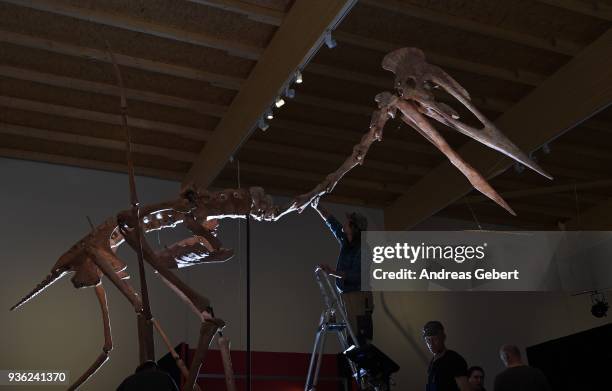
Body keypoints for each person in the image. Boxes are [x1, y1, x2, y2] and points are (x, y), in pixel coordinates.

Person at [311, 196, 373, 346]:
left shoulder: (363, 250)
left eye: (348, 223)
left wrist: (331, 271)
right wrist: (317, 206)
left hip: (358, 297)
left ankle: (363, 368)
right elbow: (332, 223)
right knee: (351, 334)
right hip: (347, 296)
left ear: (354, 228)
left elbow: (356, 276)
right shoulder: (346, 241)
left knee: (358, 337)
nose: (344, 224)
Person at [422, 320, 471, 391]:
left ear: (443, 337)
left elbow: (465, 389)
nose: (431, 344)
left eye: (435, 339)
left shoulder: (454, 360)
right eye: (428, 340)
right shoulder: (433, 362)